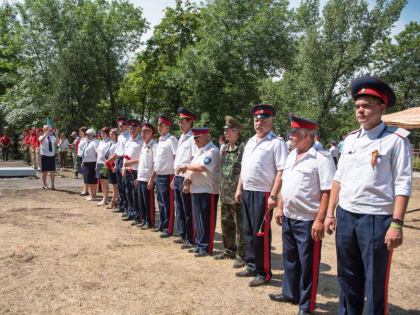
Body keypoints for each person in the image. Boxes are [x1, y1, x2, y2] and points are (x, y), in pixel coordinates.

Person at [324, 76, 412, 315]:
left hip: (376, 219)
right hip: (346, 216)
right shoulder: (350, 139)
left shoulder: (396, 139)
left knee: (374, 282)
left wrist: (397, 224)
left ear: (382, 108)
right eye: (357, 106)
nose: (360, 110)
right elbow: (338, 179)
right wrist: (330, 213)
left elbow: (403, 183)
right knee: (347, 277)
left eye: (367, 105)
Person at [269, 115, 336, 315]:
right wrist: (280, 207)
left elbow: (327, 191)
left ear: (306, 135)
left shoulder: (322, 158)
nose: (291, 137)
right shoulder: (291, 155)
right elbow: (287, 183)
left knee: (308, 264)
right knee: (290, 259)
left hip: (308, 221)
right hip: (289, 216)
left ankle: (306, 305)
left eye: (294, 133)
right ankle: (290, 293)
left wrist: (320, 219)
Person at [235, 104, 288, 287]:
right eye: (257, 120)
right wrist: (239, 188)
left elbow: (281, 171)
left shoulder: (277, 143)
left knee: (261, 233)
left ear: (271, 122)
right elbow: (244, 167)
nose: (259, 123)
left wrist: (274, 195)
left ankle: (263, 271)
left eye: (263, 120)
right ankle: (251, 264)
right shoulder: (250, 141)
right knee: (248, 231)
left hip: (264, 193)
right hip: (248, 191)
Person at [177, 128, 221, 257]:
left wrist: (186, 167)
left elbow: (203, 167)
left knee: (206, 220)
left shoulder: (212, 151)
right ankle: (199, 244)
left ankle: (206, 248)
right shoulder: (198, 152)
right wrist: (187, 178)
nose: (195, 141)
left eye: (198, 137)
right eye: (194, 138)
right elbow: (192, 167)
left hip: (208, 190)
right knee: (198, 220)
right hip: (196, 189)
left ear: (207, 136)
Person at [213, 115, 246, 269]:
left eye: (228, 130)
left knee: (240, 227)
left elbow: (244, 171)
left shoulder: (243, 148)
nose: (225, 133)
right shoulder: (225, 148)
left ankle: (241, 256)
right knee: (226, 224)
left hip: (237, 194)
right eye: (225, 130)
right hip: (225, 191)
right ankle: (228, 251)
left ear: (236, 131)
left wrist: (239, 190)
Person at [172, 107, 196, 249]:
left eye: (183, 121)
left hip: (186, 177)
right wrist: (174, 178)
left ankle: (190, 238)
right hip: (177, 176)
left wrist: (187, 180)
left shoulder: (193, 138)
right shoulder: (181, 137)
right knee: (179, 208)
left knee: (188, 210)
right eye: (179, 121)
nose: (180, 124)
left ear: (190, 122)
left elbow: (192, 160)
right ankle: (182, 235)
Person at [152, 114, 178, 238]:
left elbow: (176, 157)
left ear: (167, 127)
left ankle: (168, 228)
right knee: (161, 202)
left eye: (161, 125)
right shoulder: (160, 141)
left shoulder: (171, 140)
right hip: (159, 175)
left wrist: (176, 175)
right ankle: (162, 224)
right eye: (158, 125)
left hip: (168, 175)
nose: (159, 127)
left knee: (168, 203)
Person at [135, 122, 157, 229]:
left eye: (147, 132)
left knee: (149, 202)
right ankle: (143, 219)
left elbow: (155, 164)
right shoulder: (143, 145)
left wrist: (151, 179)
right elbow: (142, 163)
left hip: (148, 178)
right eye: (142, 131)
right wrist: (138, 178)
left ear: (152, 133)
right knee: (141, 201)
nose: (144, 134)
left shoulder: (154, 146)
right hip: (141, 178)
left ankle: (150, 221)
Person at [121, 119, 143, 223]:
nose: (132, 130)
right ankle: (130, 212)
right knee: (128, 192)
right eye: (130, 128)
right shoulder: (128, 141)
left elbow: (143, 158)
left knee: (135, 194)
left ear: (138, 129)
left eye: (134, 128)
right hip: (128, 171)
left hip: (136, 171)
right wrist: (123, 167)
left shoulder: (141, 141)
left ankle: (137, 215)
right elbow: (126, 156)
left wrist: (131, 163)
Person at [108, 118, 130, 215]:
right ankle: (122, 205)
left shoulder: (128, 136)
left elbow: (127, 152)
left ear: (126, 126)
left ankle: (127, 207)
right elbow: (117, 152)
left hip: (125, 160)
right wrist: (116, 164)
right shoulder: (120, 136)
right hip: (119, 160)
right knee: (120, 185)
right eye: (119, 126)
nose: (120, 127)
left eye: (122, 125)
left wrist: (124, 165)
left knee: (125, 185)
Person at [95, 127, 112, 206]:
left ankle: (105, 198)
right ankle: (104, 197)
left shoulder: (109, 143)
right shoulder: (101, 142)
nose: (102, 135)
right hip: (99, 163)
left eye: (103, 133)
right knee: (101, 181)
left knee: (105, 181)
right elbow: (98, 154)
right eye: (101, 133)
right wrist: (96, 164)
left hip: (105, 164)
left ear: (107, 134)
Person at [81, 128, 99, 201]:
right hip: (87, 163)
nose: (87, 136)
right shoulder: (89, 142)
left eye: (88, 135)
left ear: (92, 135)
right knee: (88, 179)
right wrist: (83, 162)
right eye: (86, 135)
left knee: (92, 180)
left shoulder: (95, 142)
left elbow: (97, 153)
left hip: (92, 163)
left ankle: (93, 196)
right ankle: (91, 195)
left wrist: (96, 164)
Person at [39, 125, 58, 190]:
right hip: (44, 156)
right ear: (44, 130)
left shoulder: (52, 137)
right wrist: (46, 134)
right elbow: (40, 141)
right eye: (47, 129)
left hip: (51, 156)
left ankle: (52, 185)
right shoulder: (41, 136)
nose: (49, 130)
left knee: (52, 171)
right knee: (45, 171)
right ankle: (44, 184)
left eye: (49, 129)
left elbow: (58, 143)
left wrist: (56, 134)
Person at [105, 128, 119, 209]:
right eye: (110, 134)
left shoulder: (117, 144)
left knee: (115, 184)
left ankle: (114, 200)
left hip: (114, 164)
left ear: (116, 135)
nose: (110, 136)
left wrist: (115, 165)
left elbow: (116, 156)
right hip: (110, 164)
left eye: (112, 134)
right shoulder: (111, 143)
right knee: (113, 184)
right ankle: (117, 199)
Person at [77, 126, 89, 194]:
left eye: (80, 131)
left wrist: (83, 160)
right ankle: (85, 189)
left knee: (85, 174)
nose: (79, 132)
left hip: (83, 158)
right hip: (80, 157)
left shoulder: (86, 139)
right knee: (83, 174)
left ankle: (86, 190)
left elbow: (85, 150)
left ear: (84, 132)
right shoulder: (82, 139)